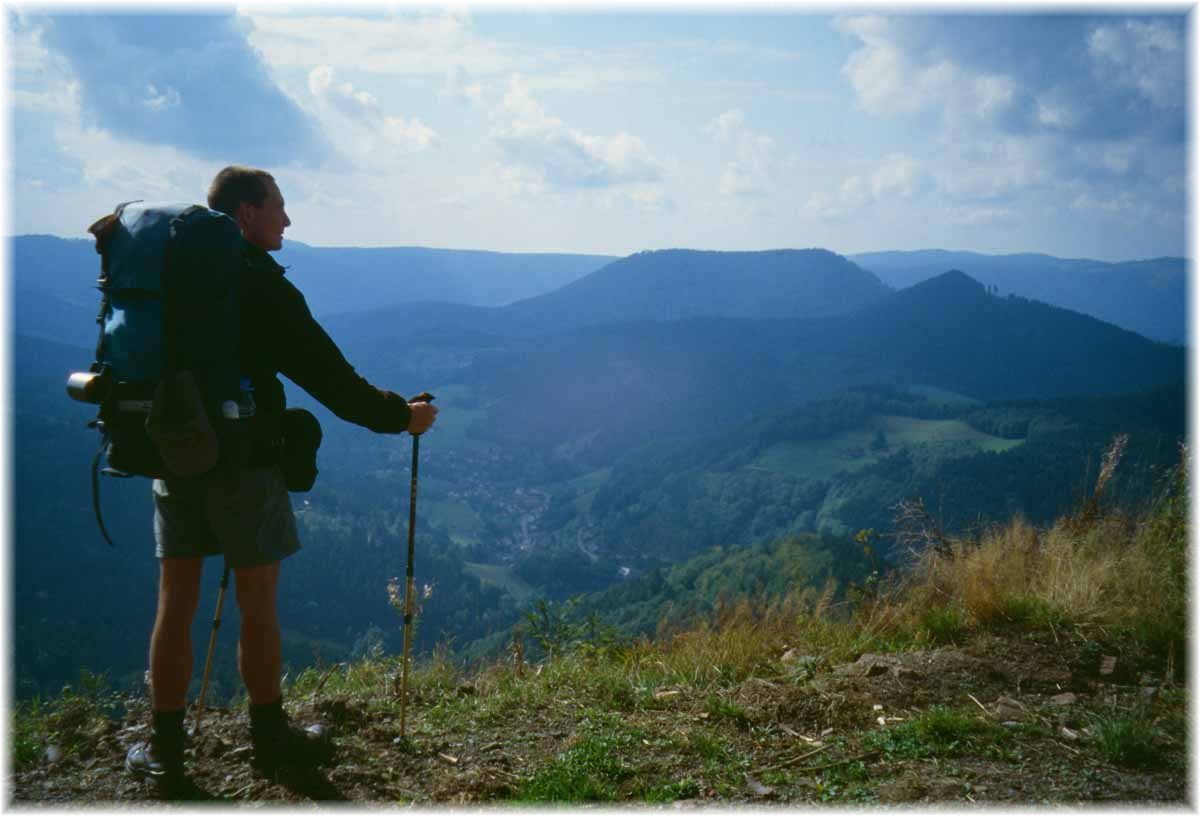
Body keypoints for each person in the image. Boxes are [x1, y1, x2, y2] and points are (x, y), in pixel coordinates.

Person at [125, 166, 438, 786]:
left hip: (172, 454)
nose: (288, 220)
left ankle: (164, 749)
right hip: (242, 460)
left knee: (175, 602)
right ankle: (270, 737)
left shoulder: (171, 274)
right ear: (247, 213)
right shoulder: (257, 284)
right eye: (280, 208)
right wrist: (401, 417)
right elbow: (328, 374)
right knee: (258, 604)